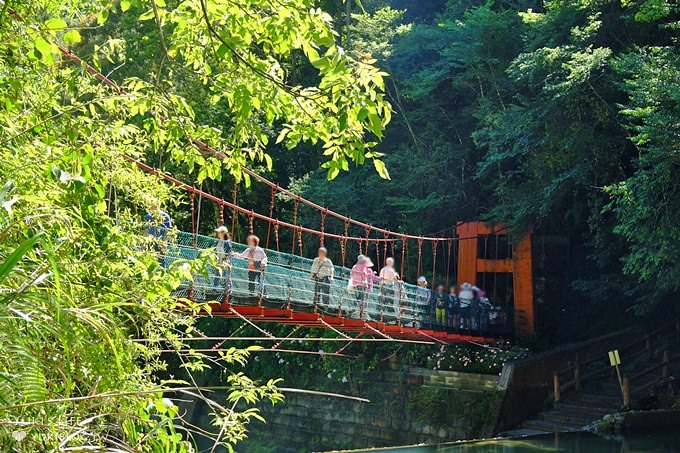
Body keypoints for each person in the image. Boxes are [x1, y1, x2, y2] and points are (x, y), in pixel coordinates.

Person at [145, 199, 172, 266]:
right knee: (148, 260)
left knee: (161, 261)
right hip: (150, 241)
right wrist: (144, 243)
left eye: (151, 204)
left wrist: (164, 243)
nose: (149, 206)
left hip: (160, 242)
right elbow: (146, 230)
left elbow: (167, 231)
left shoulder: (165, 216)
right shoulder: (148, 216)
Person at [212, 226, 233, 298]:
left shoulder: (227, 242)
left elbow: (228, 252)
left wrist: (226, 262)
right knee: (217, 275)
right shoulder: (217, 241)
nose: (218, 233)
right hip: (218, 260)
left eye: (219, 232)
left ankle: (228, 291)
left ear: (224, 233)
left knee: (226, 276)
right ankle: (214, 289)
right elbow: (214, 250)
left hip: (225, 261)